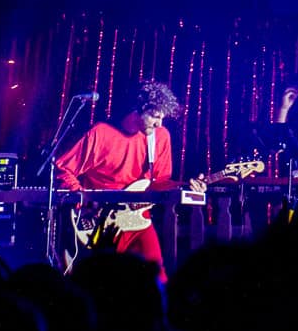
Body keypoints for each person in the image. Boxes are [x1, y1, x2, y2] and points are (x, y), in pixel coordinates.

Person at [54, 79, 203, 276]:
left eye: (162, 118)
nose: (159, 123)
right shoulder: (100, 133)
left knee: (157, 281)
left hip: (138, 221)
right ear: (137, 110)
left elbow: (161, 182)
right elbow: (63, 168)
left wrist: (186, 186)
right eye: (154, 116)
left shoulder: (160, 136)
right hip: (100, 222)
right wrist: (84, 203)